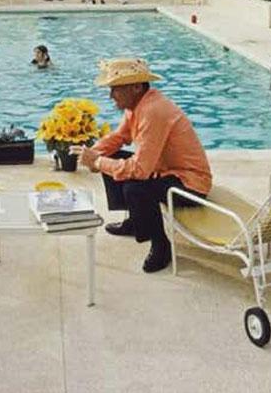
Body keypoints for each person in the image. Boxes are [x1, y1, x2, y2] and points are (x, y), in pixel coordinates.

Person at [73, 58, 212, 273]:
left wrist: (98, 161)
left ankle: (161, 246)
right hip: (165, 172)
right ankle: (135, 222)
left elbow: (140, 171)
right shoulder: (136, 105)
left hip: (190, 184)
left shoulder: (153, 111)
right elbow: (119, 137)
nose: (111, 96)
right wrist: (93, 153)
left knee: (135, 187)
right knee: (114, 156)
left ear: (136, 87)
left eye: (115, 89)